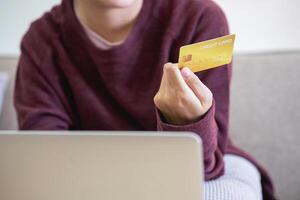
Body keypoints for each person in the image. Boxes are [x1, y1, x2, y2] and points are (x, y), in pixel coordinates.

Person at [14, 0, 276, 199]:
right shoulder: (41, 40)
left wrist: (185, 122)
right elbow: (44, 161)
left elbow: (204, 167)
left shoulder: (198, 17)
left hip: (213, 161)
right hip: (90, 170)